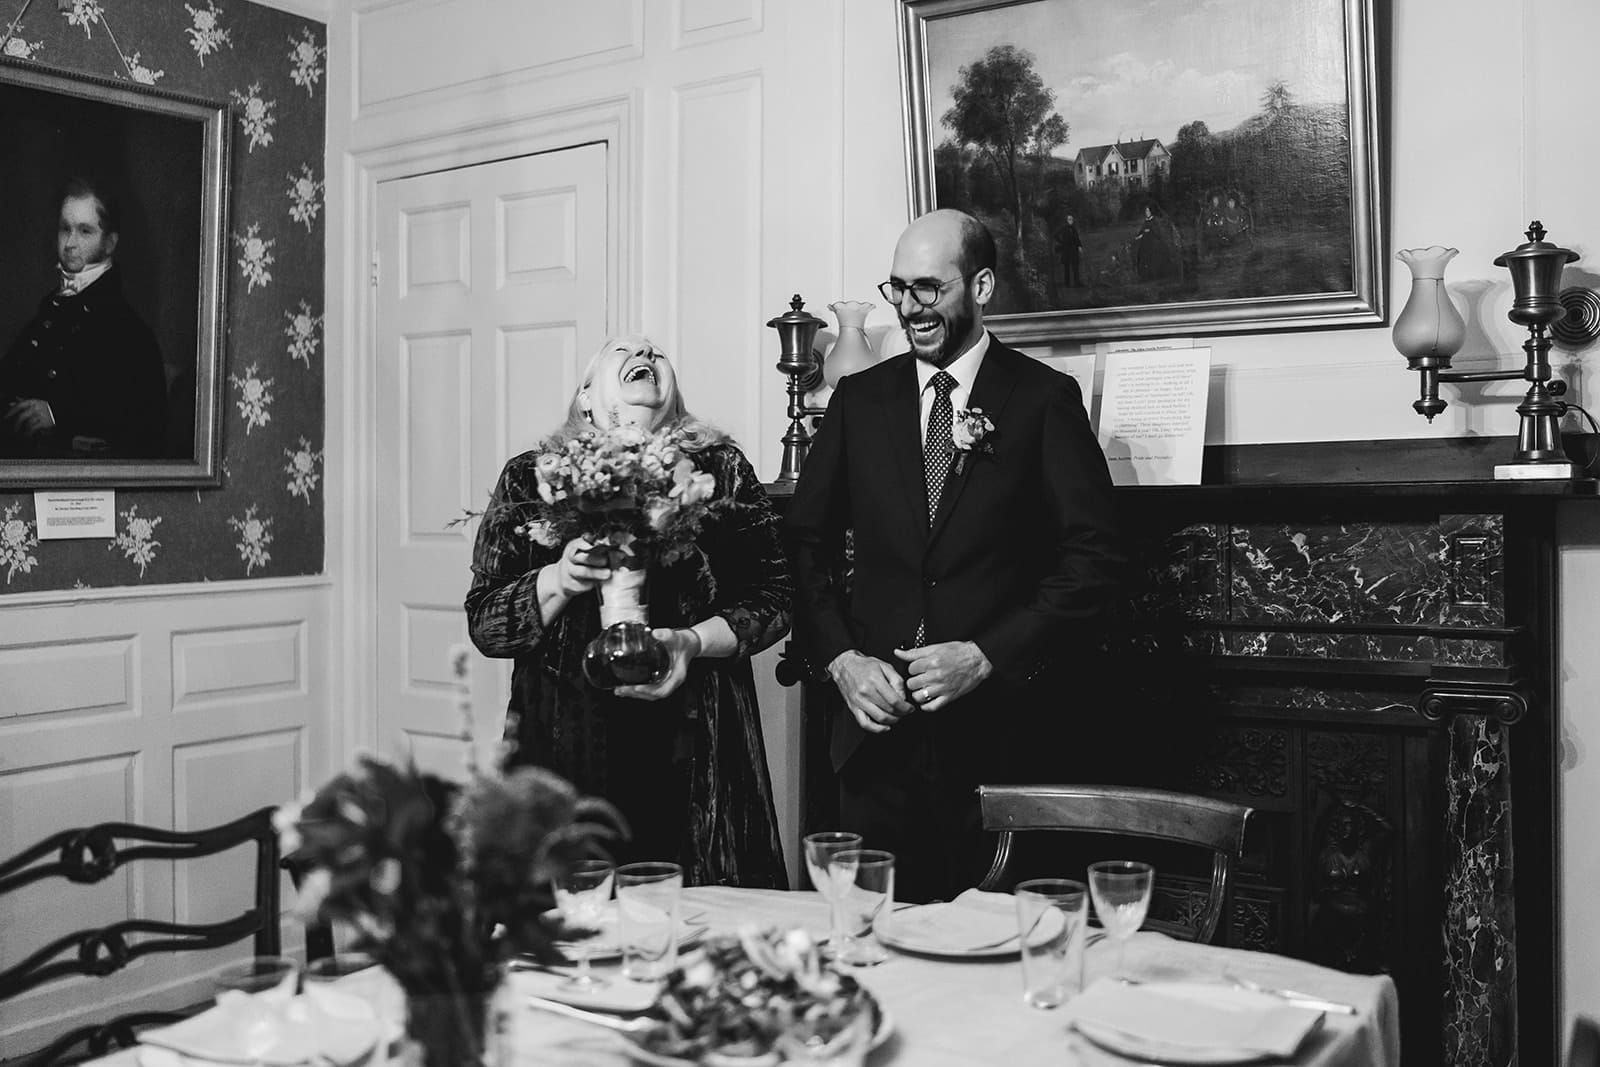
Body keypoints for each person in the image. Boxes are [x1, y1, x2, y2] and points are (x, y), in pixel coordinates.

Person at [784, 209, 1125, 903]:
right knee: (869, 944)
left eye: (929, 289)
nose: (910, 308)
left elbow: (1096, 558)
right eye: (898, 288)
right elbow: (803, 543)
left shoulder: (1043, 399)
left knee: (995, 952)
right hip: (874, 744)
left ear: (982, 286)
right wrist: (843, 660)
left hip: (1000, 746)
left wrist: (985, 655)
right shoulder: (857, 400)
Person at [465, 335, 791, 888]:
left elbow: (775, 597)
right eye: (623, 351)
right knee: (570, 927)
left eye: (656, 352)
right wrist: (558, 579)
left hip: (698, 753)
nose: (645, 353)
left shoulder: (721, 472)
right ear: (585, 397)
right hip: (565, 751)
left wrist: (690, 642)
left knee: (704, 928)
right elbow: (486, 624)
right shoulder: (532, 478)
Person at [0, 177, 167, 459]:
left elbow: (137, 422)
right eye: (65, 229)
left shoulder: (127, 329)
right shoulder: (52, 309)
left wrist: (56, 415)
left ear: (109, 243)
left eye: (84, 231)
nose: (70, 243)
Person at [1133, 204, 1181, 282]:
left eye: (1148, 211)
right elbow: (1142, 230)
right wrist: (1139, 235)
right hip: (1146, 242)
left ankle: (1156, 275)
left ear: (1151, 211)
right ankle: (1146, 276)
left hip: (1154, 242)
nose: (1147, 213)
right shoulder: (1146, 221)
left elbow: (1157, 231)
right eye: (1146, 211)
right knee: (1144, 255)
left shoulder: (1154, 220)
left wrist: (1149, 231)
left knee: (1154, 256)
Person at [1054, 214, 1084, 287]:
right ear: (1066, 221)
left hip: (1074, 250)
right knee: (1066, 267)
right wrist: (1062, 242)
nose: (1071, 221)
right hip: (1066, 250)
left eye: (1072, 219)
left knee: (1075, 266)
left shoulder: (1074, 228)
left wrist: (1080, 246)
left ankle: (1077, 283)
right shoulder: (1063, 228)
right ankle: (1067, 284)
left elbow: (1077, 239)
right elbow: (1055, 235)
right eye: (1069, 219)